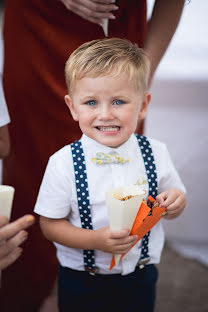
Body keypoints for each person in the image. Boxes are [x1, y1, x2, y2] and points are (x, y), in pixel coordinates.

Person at [2, 0, 185, 310]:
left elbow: (170, 197)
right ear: (71, 106)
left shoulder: (155, 153)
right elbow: (48, 223)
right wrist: (94, 242)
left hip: (139, 274)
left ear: (142, 104)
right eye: (90, 104)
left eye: (119, 102)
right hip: (82, 278)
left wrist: (174, 202)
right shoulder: (61, 163)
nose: (105, 115)